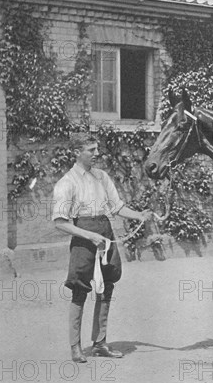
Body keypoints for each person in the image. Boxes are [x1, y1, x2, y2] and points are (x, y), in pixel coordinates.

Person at [52, 132, 154, 363]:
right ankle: (75, 347)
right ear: (77, 152)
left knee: (106, 285)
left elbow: (116, 207)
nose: (97, 154)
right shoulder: (66, 183)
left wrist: (139, 215)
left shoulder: (102, 177)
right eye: (92, 150)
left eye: (97, 149)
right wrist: (89, 235)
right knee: (80, 288)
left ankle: (99, 343)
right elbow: (60, 222)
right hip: (83, 233)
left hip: (104, 230)